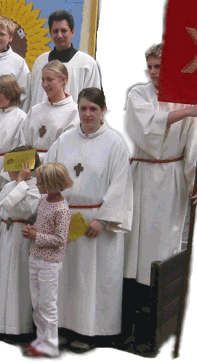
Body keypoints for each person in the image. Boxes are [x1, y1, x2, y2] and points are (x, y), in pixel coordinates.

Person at [122, 44, 197, 338]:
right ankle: (129, 316)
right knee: (132, 246)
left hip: (170, 180)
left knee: (162, 245)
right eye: (150, 67)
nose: (153, 73)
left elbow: (195, 147)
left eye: (159, 67)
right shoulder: (138, 94)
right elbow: (145, 129)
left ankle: (158, 319)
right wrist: (189, 110)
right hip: (142, 175)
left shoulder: (187, 99)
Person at [44, 87, 132, 350]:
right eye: (83, 108)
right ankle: (62, 326)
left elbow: (121, 185)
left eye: (93, 108)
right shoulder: (65, 140)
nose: (87, 113)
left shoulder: (115, 143)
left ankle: (87, 332)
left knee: (91, 280)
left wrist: (103, 220)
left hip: (95, 222)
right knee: (64, 278)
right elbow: (49, 174)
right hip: (65, 218)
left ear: (103, 110)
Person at [21, 162, 73, 358]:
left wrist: (36, 236)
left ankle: (50, 345)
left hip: (50, 263)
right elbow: (41, 225)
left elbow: (61, 240)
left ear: (54, 184)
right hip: (35, 257)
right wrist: (31, 230)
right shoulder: (44, 200)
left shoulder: (61, 209)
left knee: (48, 305)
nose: (38, 186)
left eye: (41, 183)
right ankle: (41, 340)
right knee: (37, 304)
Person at [0, 148, 41, 336]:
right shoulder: (10, 185)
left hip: (22, 238)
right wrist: (4, 217)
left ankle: (18, 327)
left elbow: (25, 210)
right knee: (2, 278)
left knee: (19, 279)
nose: (8, 170)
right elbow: (1, 207)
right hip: (7, 235)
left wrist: (20, 182)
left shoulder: (34, 187)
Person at [27, 10, 101, 109]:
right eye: (55, 31)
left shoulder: (86, 64)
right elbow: (33, 97)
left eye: (64, 31)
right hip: (41, 121)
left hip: (73, 122)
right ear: (50, 33)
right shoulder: (40, 62)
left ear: (72, 32)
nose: (59, 35)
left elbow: (94, 101)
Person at [23, 60, 79, 163]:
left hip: (56, 168)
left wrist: (39, 160)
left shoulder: (74, 112)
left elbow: (69, 148)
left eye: (49, 79)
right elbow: (23, 142)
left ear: (63, 80)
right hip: (30, 170)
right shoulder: (35, 110)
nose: (44, 84)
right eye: (43, 80)